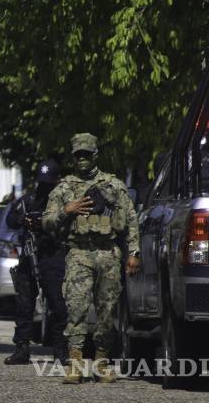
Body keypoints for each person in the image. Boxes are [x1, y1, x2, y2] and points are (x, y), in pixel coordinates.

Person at [42, 133, 140, 384]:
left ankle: (101, 363)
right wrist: (67, 210)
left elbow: (131, 220)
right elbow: (47, 222)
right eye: (78, 155)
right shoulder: (64, 188)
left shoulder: (114, 185)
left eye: (87, 154)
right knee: (76, 309)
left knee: (108, 312)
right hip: (79, 254)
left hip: (108, 254)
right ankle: (75, 365)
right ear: (73, 158)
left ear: (95, 155)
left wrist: (134, 253)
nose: (82, 159)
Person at [4, 160, 68, 365]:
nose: (44, 187)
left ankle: (60, 350)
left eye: (48, 183)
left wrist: (45, 222)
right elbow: (10, 219)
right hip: (30, 256)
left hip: (52, 256)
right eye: (42, 182)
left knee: (58, 305)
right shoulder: (28, 199)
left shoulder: (62, 201)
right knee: (24, 304)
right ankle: (22, 348)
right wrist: (24, 220)